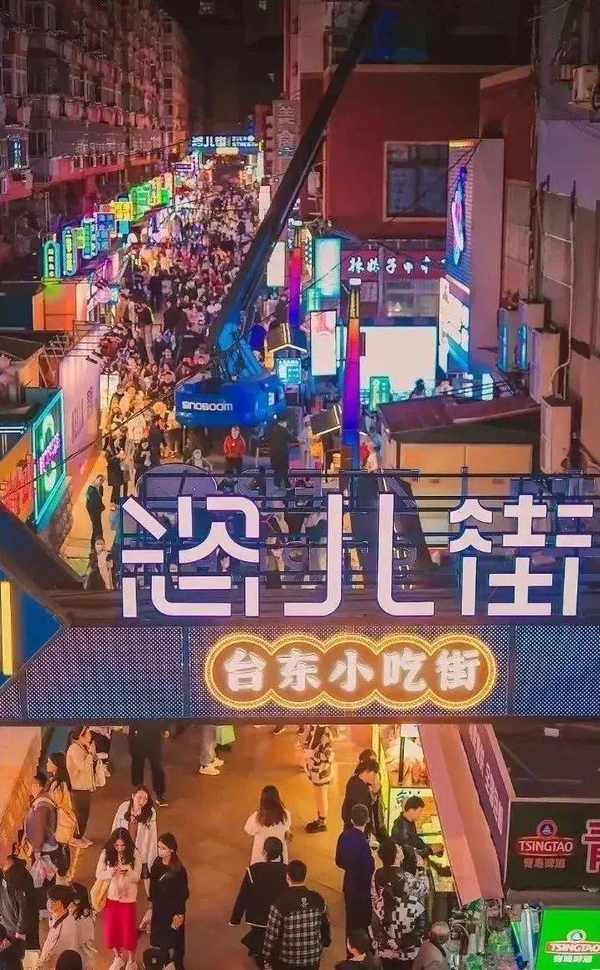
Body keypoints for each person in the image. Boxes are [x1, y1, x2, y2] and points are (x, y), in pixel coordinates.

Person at [262, 859, 330, 970]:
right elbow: (325, 925)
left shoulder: (280, 903)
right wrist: (325, 942)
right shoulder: (318, 899)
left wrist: (267, 958)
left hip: (288, 960)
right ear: (305, 877)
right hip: (313, 959)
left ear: (287, 877)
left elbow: (271, 935)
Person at [230, 836, 287, 965]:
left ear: (264, 852)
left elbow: (243, 895)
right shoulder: (287, 870)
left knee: (258, 935)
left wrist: (235, 918)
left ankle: (259, 953)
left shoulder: (254, 869)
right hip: (278, 917)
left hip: (257, 916)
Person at [370, 838, 426, 970]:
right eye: (398, 848)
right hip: (404, 941)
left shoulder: (377, 874)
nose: (401, 849)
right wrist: (421, 869)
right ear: (396, 855)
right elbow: (424, 889)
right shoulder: (407, 878)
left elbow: (374, 897)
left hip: (385, 939)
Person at [140, 834, 189, 970]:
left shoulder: (179, 870)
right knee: (162, 938)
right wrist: (151, 906)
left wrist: (179, 913)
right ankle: (164, 962)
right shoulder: (156, 864)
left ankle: (178, 964)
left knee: (176, 939)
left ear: (171, 849)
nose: (160, 851)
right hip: (159, 909)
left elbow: (183, 893)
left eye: (163, 848)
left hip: (174, 910)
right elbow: (153, 888)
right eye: (159, 847)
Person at [95, 828, 142, 970]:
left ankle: (131, 961)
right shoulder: (106, 853)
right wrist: (111, 872)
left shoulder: (135, 854)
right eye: (117, 845)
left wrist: (127, 872)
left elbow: (137, 877)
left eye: (123, 845)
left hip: (128, 899)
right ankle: (118, 957)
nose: (120, 849)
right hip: (112, 898)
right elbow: (98, 874)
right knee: (112, 930)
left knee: (129, 932)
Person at [335, 804, 374, 937]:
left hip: (349, 884)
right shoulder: (364, 843)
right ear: (367, 820)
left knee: (351, 919)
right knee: (363, 921)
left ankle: (350, 944)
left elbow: (338, 861)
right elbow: (370, 868)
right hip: (363, 888)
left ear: (351, 820)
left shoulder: (343, 836)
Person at [112, 787, 158, 894]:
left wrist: (151, 857)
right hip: (124, 849)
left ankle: (150, 897)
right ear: (133, 796)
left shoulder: (150, 812)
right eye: (139, 797)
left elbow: (152, 837)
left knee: (146, 874)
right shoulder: (124, 807)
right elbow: (115, 827)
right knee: (123, 875)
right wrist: (114, 847)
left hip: (140, 851)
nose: (142, 801)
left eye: (145, 799)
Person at [37, 885, 92, 970]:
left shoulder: (65, 930)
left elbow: (53, 955)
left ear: (59, 903)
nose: (48, 902)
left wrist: (41, 964)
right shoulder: (60, 914)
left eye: (51, 900)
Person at [0, 849, 39, 967]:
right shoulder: (3, 872)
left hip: (21, 932)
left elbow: (25, 907)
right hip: (8, 927)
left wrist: (20, 932)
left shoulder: (20, 877)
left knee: (23, 960)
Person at [46, 753, 80, 874]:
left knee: (60, 847)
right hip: (64, 818)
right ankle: (64, 870)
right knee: (62, 846)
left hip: (60, 820)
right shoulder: (61, 781)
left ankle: (63, 871)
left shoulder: (58, 784)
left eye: (49, 762)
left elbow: (56, 802)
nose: (47, 764)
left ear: (55, 765)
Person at [244, 786, 291, 866]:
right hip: (279, 855)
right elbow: (287, 827)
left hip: (260, 857)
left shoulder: (257, 817)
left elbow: (248, 830)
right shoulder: (286, 814)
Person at [66, 728, 97, 840]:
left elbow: (91, 762)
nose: (90, 735)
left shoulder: (81, 747)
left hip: (84, 787)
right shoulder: (74, 749)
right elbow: (83, 766)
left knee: (84, 814)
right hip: (78, 788)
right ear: (81, 736)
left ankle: (80, 836)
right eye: (88, 733)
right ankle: (76, 838)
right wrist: (90, 753)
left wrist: (92, 753)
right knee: (80, 815)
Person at [302, 726, 334, 834]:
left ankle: (322, 822)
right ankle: (320, 819)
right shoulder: (314, 728)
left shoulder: (326, 733)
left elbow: (327, 756)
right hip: (316, 772)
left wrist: (312, 754)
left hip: (321, 773)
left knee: (321, 796)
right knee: (318, 796)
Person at [128, 723, 168, 807]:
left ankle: (159, 794)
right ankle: (139, 791)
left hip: (154, 736)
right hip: (138, 735)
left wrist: (165, 728)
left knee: (157, 766)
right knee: (138, 764)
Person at [391, 796, 437, 862]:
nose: (421, 814)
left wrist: (431, 847)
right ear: (411, 810)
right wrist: (430, 850)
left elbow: (416, 840)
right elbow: (409, 854)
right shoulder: (401, 828)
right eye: (420, 811)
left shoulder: (409, 821)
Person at [341, 758, 380, 835]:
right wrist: (375, 793)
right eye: (374, 774)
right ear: (367, 771)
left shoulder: (353, 780)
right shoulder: (361, 789)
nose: (375, 778)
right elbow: (367, 810)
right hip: (357, 828)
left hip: (350, 825)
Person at [269, 418, 295, 490]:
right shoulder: (284, 430)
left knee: (276, 469)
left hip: (274, 453)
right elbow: (291, 439)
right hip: (283, 453)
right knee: (284, 469)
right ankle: (287, 485)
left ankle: (277, 484)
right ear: (283, 422)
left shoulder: (273, 429)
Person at [85, 475, 105, 544]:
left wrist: (101, 507)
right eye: (100, 480)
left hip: (98, 511)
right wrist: (92, 514)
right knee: (97, 528)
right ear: (96, 479)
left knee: (97, 528)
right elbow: (88, 505)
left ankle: (95, 543)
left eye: (102, 481)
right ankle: (95, 543)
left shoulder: (101, 487)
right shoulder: (91, 490)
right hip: (93, 513)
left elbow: (100, 498)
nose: (101, 482)